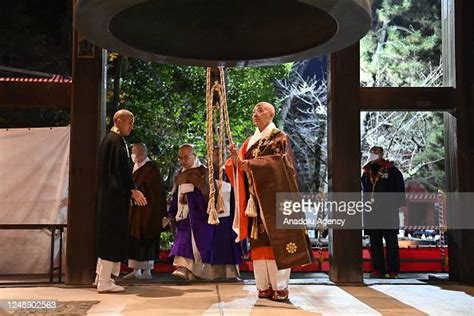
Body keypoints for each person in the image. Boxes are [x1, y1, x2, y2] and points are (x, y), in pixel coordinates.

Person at [226, 102, 313, 301]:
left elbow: (280, 163)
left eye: (260, 109)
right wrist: (235, 160)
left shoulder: (280, 137)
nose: (254, 112)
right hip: (256, 199)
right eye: (253, 110)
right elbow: (238, 167)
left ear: (271, 115)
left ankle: (280, 287)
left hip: (276, 199)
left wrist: (250, 164)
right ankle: (263, 286)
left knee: (279, 242)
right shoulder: (249, 142)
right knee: (260, 242)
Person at [95, 109, 147, 293]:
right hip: (113, 198)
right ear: (118, 121)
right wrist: (132, 189)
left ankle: (101, 277)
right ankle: (104, 281)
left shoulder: (110, 140)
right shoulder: (115, 141)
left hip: (109, 196)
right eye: (129, 123)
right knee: (111, 237)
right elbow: (121, 170)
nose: (131, 127)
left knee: (107, 236)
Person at [168, 144, 215, 280]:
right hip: (184, 215)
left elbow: (208, 194)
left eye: (186, 157)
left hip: (200, 215)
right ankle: (182, 268)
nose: (183, 161)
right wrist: (171, 213)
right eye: (180, 158)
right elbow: (176, 195)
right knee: (183, 239)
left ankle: (193, 272)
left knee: (198, 244)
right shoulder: (179, 174)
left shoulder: (203, 172)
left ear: (194, 156)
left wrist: (190, 196)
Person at [123, 143, 167, 280]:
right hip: (134, 210)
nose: (132, 155)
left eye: (134, 153)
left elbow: (158, 192)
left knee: (147, 237)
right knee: (134, 239)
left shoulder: (151, 169)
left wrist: (159, 212)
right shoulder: (133, 167)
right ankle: (135, 269)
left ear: (142, 153)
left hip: (149, 210)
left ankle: (147, 270)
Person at [361, 146, 406, 279]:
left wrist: (394, 206)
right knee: (375, 243)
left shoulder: (392, 171)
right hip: (372, 213)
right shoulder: (366, 171)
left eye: (376, 153)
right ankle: (378, 270)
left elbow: (400, 192)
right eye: (371, 153)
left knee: (391, 243)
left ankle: (393, 271)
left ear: (381, 154)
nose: (373, 155)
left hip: (388, 213)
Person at [209, 147, 243, 279]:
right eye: (216, 154)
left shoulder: (231, 170)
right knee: (214, 242)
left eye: (221, 154)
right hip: (213, 213)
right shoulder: (208, 172)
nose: (219, 157)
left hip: (230, 212)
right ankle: (214, 273)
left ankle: (232, 273)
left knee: (230, 240)